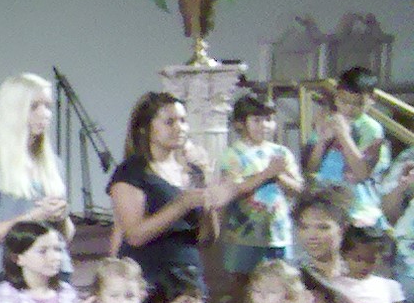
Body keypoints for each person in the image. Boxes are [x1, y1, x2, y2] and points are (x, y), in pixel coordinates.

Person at [106, 91, 227, 286]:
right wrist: (182, 204)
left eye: (183, 121)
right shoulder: (132, 172)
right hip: (149, 276)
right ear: (145, 128)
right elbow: (134, 235)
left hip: (188, 277)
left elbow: (206, 239)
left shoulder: (193, 172)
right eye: (169, 122)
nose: (180, 128)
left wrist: (209, 202)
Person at [0, 75, 72, 281]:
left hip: (56, 270)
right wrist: (33, 216)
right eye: (34, 106)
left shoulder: (53, 164)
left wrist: (61, 215)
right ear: (14, 111)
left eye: (48, 106)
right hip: (13, 273)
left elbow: (65, 236)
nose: (44, 114)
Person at [217, 90, 301, 283]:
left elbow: (298, 189)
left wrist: (279, 175)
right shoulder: (233, 154)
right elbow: (233, 190)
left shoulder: (282, 152)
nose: (264, 125)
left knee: (282, 283)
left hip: (278, 234)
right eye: (257, 120)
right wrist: (266, 174)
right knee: (243, 285)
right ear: (240, 123)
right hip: (243, 235)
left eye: (269, 120)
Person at [304, 69, 385, 227]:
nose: (349, 108)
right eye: (343, 101)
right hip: (325, 198)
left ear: (372, 99)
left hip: (356, 205)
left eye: (357, 104)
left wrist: (344, 135)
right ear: (336, 96)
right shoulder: (326, 121)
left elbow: (362, 173)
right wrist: (322, 140)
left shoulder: (371, 129)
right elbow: (310, 168)